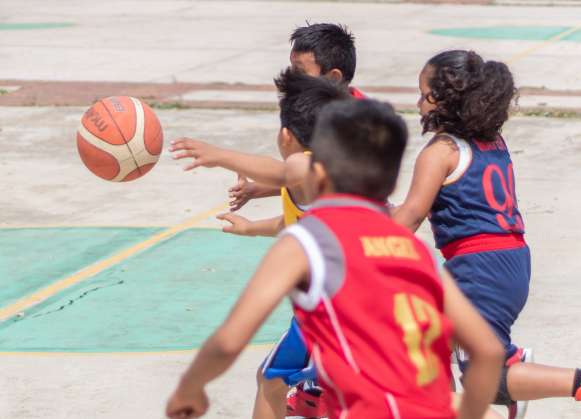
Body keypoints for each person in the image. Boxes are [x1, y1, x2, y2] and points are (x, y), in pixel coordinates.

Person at [165, 99, 506, 419]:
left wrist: (189, 388)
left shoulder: (309, 240)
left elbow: (229, 341)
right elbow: (488, 352)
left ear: (318, 173)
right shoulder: (416, 252)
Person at [392, 50, 581, 418]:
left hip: (479, 269)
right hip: (510, 260)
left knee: (484, 378)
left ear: (446, 100)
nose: (418, 102)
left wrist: (357, 239)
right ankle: (456, 398)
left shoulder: (441, 152)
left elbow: (410, 216)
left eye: (424, 94)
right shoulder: (492, 142)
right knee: (428, 333)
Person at [171, 69, 349, 418]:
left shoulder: (308, 166)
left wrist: (218, 154)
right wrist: (251, 228)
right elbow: (297, 225)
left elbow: (285, 171)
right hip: (356, 303)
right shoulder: (337, 174)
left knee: (271, 379)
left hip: (334, 309)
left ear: (286, 136)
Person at [229, 22, 364, 213]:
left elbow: (312, 176)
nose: (291, 78)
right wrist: (257, 189)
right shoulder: (312, 110)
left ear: (333, 78)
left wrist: (216, 155)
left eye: (300, 71)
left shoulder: (359, 126)